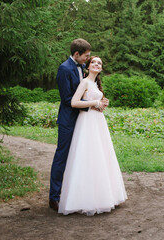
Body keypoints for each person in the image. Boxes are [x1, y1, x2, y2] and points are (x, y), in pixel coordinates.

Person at [58, 56, 127, 216]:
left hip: (98, 122)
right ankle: (84, 198)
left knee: (100, 156)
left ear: (101, 69)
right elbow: (74, 102)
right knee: (87, 156)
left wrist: (102, 103)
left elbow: (94, 102)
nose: (97, 64)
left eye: (100, 63)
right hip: (87, 123)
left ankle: (103, 195)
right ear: (88, 67)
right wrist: (94, 103)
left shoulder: (95, 84)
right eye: (94, 62)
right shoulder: (84, 82)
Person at [49, 39, 106, 211]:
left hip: (84, 120)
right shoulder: (64, 69)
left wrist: (97, 102)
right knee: (62, 157)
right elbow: (67, 99)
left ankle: (78, 194)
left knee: (81, 158)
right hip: (68, 120)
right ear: (76, 54)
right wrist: (92, 103)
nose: (88, 59)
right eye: (86, 56)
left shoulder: (81, 68)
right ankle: (54, 197)